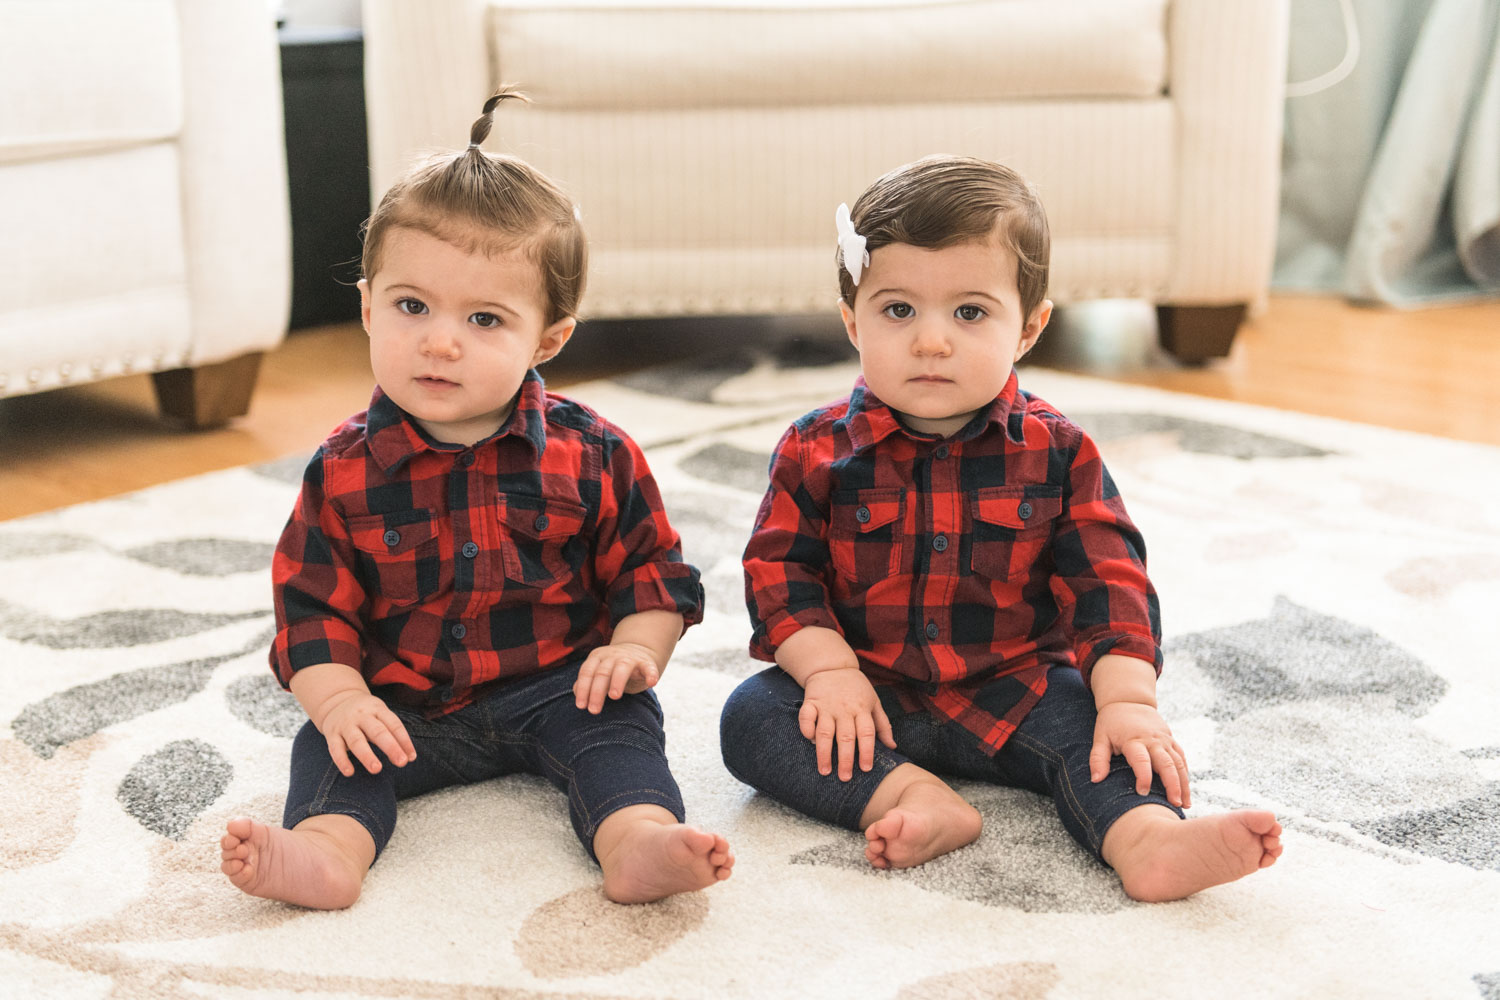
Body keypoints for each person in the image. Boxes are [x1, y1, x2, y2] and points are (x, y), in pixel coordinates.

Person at [720, 155, 1281, 902]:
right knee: (753, 718)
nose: (930, 341)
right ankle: (908, 797)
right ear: (853, 322)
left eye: (970, 313)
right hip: (870, 688)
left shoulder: (1057, 450)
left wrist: (1128, 700)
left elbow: (1107, 581)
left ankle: (1147, 839)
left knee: (1101, 733)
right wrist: (829, 673)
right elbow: (780, 575)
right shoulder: (815, 448)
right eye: (898, 311)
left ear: (1030, 328)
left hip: (1019, 687)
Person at [221, 91, 732, 908]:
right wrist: (343, 698)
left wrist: (636, 650)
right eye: (411, 306)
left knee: (622, 734)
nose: (439, 340)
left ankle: (636, 840)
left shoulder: (593, 452)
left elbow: (653, 574)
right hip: (404, 701)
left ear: (549, 340)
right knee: (331, 749)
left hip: (558, 687)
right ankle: (325, 852)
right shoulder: (344, 469)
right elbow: (310, 612)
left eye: (486, 318)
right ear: (366, 304)